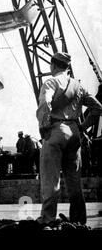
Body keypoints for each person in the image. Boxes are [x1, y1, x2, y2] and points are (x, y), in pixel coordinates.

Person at [36, 52, 102, 226]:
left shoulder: (51, 82)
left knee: (51, 180)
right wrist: (83, 126)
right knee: (74, 182)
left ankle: (48, 219)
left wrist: (44, 127)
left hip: (56, 130)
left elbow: (45, 104)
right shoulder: (78, 86)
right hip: (74, 133)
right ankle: (78, 221)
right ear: (67, 67)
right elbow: (97, 108)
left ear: (53, 65)